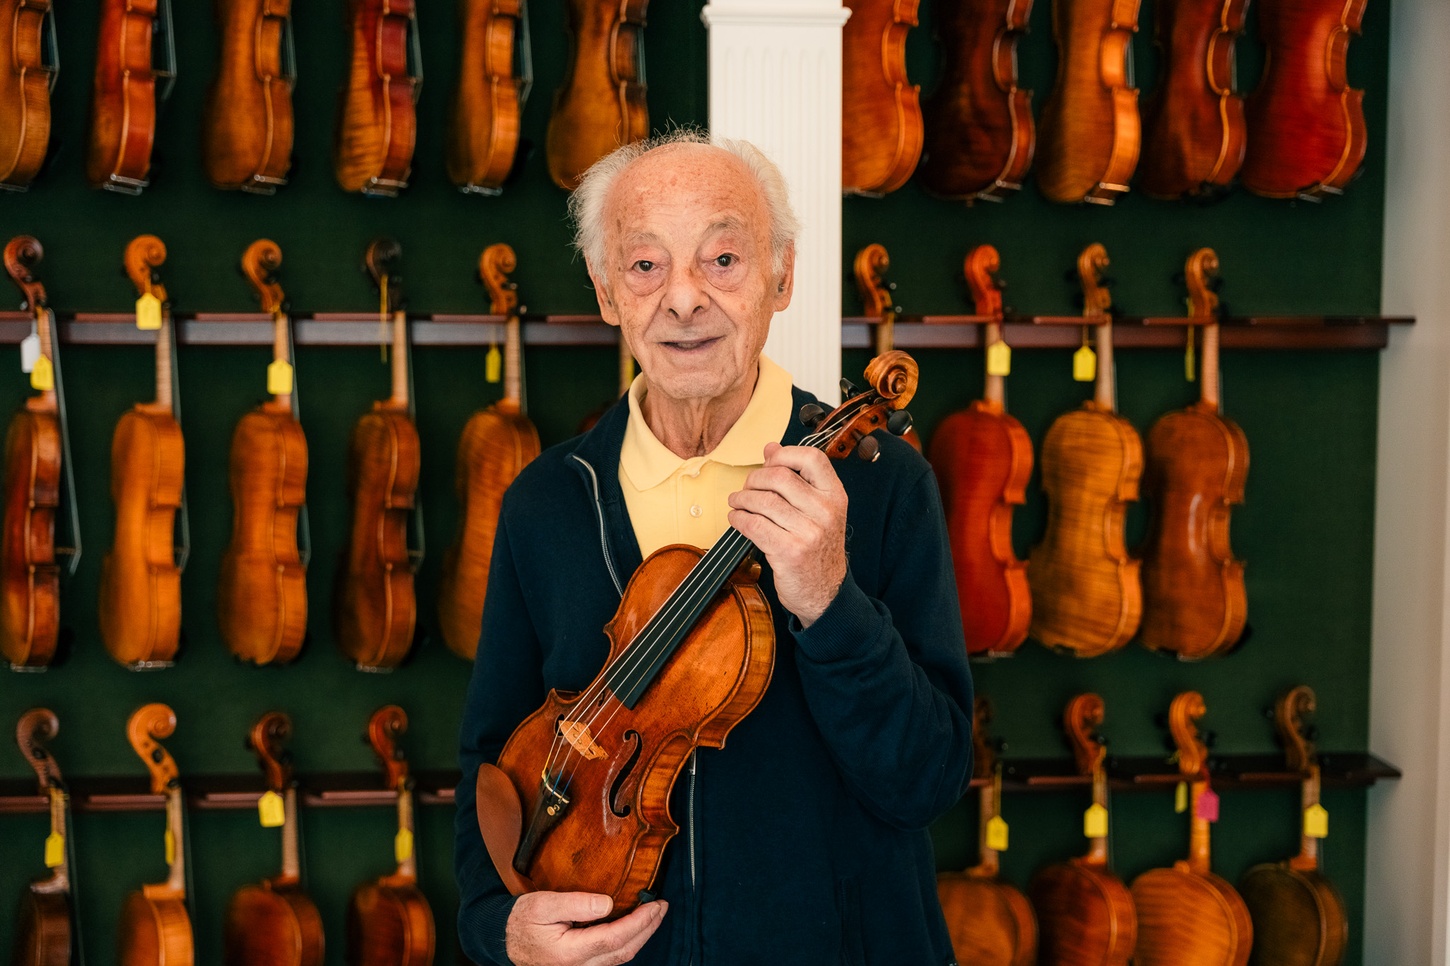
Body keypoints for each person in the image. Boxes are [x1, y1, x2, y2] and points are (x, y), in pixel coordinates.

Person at [454, 130, 975, 966]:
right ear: (605, 292)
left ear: (782, 275)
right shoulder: (547, 502)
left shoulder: (882, 488)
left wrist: (830, 600)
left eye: (723, 259)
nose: (684, 299)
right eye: (646, 265)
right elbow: (494, 764)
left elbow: (928, 780)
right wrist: (497, 927)